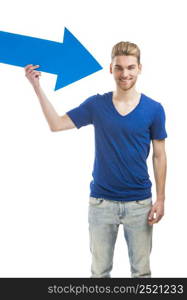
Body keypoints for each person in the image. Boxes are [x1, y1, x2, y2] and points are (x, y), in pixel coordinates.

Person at [24, 41, 167, 278]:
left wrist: (160, 198)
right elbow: (56, 124)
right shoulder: (96, 105)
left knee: (141, 274)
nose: (125, 74)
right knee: (99, 274)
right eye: (119, 68)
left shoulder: (154, 109)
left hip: (140, 204)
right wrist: (36, 86)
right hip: (101, 204)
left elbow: (160, 155)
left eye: (131, 67)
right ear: (111, 69)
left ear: (139, 68)